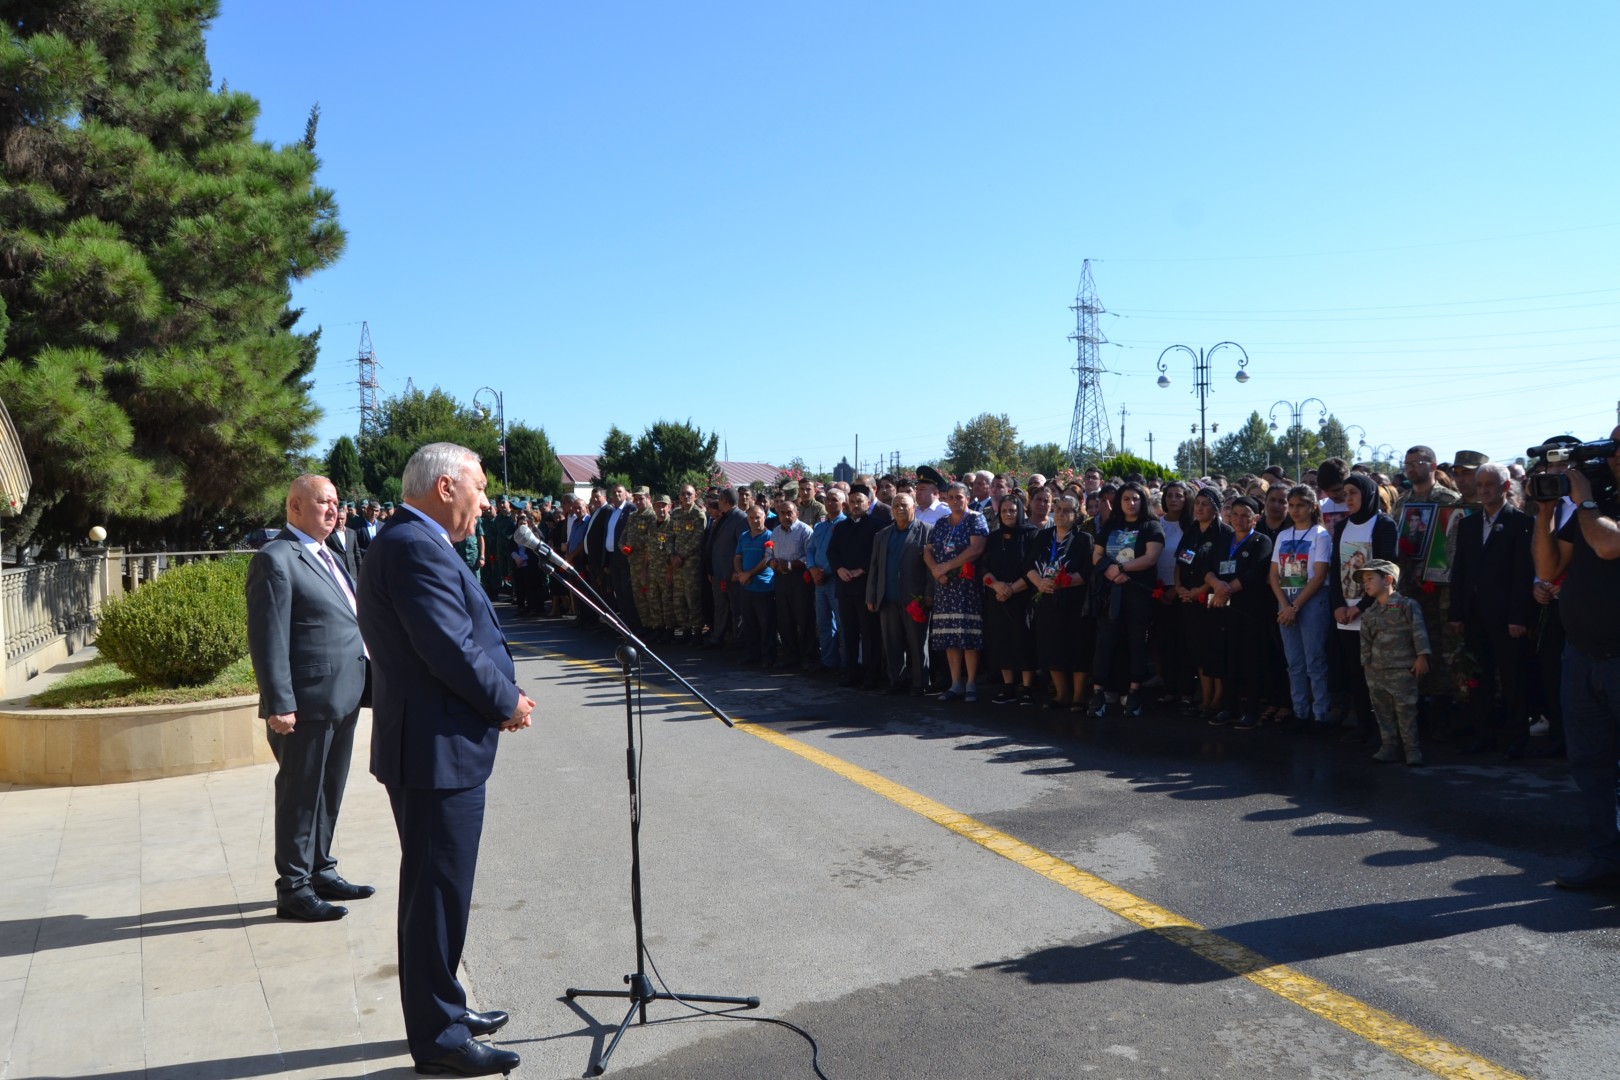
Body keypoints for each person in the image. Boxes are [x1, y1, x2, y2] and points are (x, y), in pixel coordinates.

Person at [357, 443, 532, 1076]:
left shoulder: (417, 541)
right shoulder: (411, 546)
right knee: (435, 894)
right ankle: (439, 1037)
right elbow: (449, 648)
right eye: (480, 488)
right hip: (434, 750)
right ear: (446, 487)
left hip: (440, 744)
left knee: (442, 891)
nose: (485, 501)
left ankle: (446, 1005)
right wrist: (506, 700)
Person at [246, 474, 372, 924]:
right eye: (324, 502)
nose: (334, 510)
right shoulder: (276, 558)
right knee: (301, 791)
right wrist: (279, 701)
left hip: (344, 693)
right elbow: (268, 637)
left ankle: (321, 869)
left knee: (329, 788)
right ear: (295, 507)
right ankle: (294, 887)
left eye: (337, 502)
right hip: (306, 701)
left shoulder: (331, 552)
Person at [1531, 426, 1620, 890]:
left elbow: (1608, 544)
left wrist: (1583, 500)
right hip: (1582, 657)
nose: (1615, 455)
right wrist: (1544, 512)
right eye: (1613, 446)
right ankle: (1606, 859)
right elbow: (1548, 569)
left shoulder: (1594, 507)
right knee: (1591, 766)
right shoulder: (1595, 502)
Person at [1448, 461, 1535, 756]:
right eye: (1481, 484)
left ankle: (1516, 738)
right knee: (1479, 678)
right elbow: (1460, 570)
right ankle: (1483, 734)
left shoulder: (1521, 523)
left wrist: (1517, 617)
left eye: (1490, 485)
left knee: (1512, 680)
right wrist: (1456, 612)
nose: (1484, 490)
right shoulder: (1469, 524)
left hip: (1507, 618)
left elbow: (1523, 575)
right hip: (1475, 616)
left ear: (1505, 487)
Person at [1328, 472, 1399, 743]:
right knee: (1355, 671)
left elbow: (1387, 568)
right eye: (1345, 494)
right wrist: (1338, 605)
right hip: (1345, 612)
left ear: (1368, 495)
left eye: (1353, 493)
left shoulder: (1383, 525)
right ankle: (1363, 724)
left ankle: (1385, 730)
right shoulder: (1343, 526)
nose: (1348, 499)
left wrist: (1362, 605)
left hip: (1372, 609)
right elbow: (1336, 569)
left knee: (1377, 671)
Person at [1090, 482, 1165, 718]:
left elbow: (1151, 557)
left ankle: (1133, 692)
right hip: (1111, 592)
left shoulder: (1151, 526)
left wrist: (1121, 568)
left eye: (1135, 499)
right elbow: (1096, 555)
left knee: (1136, 642)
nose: (1131, 503)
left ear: (1142, 501)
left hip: (1138, 593)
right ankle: (1098, 692)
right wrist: (1110, 571)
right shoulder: (1111, 525)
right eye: (1126, 499)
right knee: (1105, 642)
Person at [1204, 496, 1273, 730]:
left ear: (1256, 518)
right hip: (1224, 608)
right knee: (1227, 657)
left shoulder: (1262, 541)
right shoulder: (1224, 540)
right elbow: (1208, 567)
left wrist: (1227, 589)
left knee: (1250, 659)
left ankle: (1251, 711)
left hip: (1249, 609)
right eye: (1235, 514)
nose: (1239, 519)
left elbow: (1256, 571)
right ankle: (1228, 707)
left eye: (1245, 515)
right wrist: (1216, 584)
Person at [1270, 485, 1334, 727]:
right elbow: (1274, 574)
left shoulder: (1320, 534)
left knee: (1314, 660)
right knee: (1294, 662)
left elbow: (1319, 575)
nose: (1295, 510)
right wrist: (1284, 604)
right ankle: (1300, 712)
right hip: (1285, 598)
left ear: (1312, 507)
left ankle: (1320, 715)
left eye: (1300, 505)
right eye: (1292, 505)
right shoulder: (1284, 535)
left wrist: (1294, 606)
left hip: (1310, 599)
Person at [1357, 559, 1431, 766]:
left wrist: (1422, 656)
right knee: (1382, 711)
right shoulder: (1370, 612)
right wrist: (1366, 665)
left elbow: (1419, 631)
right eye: (1364, 581)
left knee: (1406, 710)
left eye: (1371, 578)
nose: (1366, 584)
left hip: (1402, 670)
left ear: (1388, 579)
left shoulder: (1406, 605)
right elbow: (1365, 641)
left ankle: (1412, 750)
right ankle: (1388, 746)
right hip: (1376, 671)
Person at [1026, 494, 1095, 711]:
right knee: (1052, 646)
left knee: (1077, 647)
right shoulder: (1043, 536)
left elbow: (1087, 572)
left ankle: (1078, 697)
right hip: (1047, 599)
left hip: (1073, 600)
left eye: (1066, 510)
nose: (1060, 514)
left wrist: (1064, 582)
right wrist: (1039, 583)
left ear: (1076, 515)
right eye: (1058, 509)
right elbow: (1028, 565)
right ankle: (1061, 694)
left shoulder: (1084, 539)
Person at [924, 482, 990, 702]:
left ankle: (971, 682)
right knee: (950, 637)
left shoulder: (975, 518)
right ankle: (955, 683)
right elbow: (928, 550)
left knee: (967, 635)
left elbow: (976, 549)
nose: (954, 501)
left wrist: (947, 566)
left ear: (968, 498)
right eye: (950, 497)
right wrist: (936, 569)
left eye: (959, 497)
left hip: (966, 586)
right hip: (944, 586)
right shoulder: (942, 523)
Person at [867, 492, 934, 694]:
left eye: (904, 505)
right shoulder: (882, 535)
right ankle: (896, 681)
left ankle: (920, 682)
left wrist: (930, 594)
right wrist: (871, 595)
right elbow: (875, 567)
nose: (899, 509)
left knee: (917, 643)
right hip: (887, 598)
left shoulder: (928, 532)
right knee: (892, 643)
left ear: (914, 506)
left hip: (916, 598)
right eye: (895, 506)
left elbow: (932, 569)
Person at [1177, 486, 1231, 721]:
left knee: (1214, 650)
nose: (1199, 508)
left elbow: (1221, 570)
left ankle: (1217, 699)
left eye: (1205, 504)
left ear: (1216, 508)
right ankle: (1205, 697)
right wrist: (1179, 587)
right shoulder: (1191, 531)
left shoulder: (1223, 534)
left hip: (1211, 599)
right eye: (1197, 503)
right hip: (1188, 598)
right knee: (1197, 649)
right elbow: (1180, 562)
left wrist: (1201, 589)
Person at [981, 494, 1038, 704]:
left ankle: (1027, 687)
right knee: (1001, 639)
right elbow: (983, 567)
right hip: (997, 596)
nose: (1008, 514)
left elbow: (1033, 567)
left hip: (1023, 596)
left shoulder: (1031, 534)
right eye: (1004, 511)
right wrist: (996, 585)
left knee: (1024, 640)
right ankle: (1008, 686)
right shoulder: (994, 537)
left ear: (1020, 511)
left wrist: (1012, 589)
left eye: (1012, 511)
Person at [827, 485, 885, 689]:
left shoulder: (878, 525)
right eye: (852, 502)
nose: (855, 505)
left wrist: (862, 569)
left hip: (866, 587)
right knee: (848, 632)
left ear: (868, 503)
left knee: (869, 633)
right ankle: (852, 672)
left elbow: (878, 554)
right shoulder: (841, 527)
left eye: (859, 501)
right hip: (844, 586)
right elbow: (832, 552)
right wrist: (839, 569)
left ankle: (871, 675)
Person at [770, 498, 817, 668]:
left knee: (804, 618)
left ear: (796, 513)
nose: (786, 516)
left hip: (800, 578)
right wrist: (772, 563)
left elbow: (810, 555)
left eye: (789, 512)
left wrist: (791, 564)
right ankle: (790, 656)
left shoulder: (805, 530)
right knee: (784, 618)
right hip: (781, 579)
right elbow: (769, 553)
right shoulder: (775, 532)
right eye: (782, 513)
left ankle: (809, 657)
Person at [806, 486, 846, 671]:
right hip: (818, 581)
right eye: (827, 499)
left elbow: (841, 555)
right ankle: (828, 661)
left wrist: (825, 571)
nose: (829, 503)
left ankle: (846, 663)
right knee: (823, 623)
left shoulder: (845, 525)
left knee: (842, 623)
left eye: (834, 500)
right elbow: (811, 550)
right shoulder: (820, 526)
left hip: (834, 580)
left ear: (843, 503)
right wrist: (813, 569)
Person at [703, 487, 747, 649]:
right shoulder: (722, 517)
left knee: (737, 610)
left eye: (719, 500)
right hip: (718, 571)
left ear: (725, 501)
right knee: (720, 608)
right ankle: (718, 638)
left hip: (732, 573)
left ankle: (738, 641)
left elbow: (742, 546)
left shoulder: (740, 518)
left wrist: (738, 570)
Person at [733, 504, 777, 666]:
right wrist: (740, 574)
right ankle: (753, 653)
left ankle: (768, 656)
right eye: (751, 518)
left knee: (766, 624)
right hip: (746, 586)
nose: (755, 520)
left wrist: (749, 574)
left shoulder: (770, 536)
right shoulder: (744, 536)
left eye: (758, 517)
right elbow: (737, 557)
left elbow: (767, 559)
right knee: (749, 623)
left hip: (763, 587)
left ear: (764, 517)